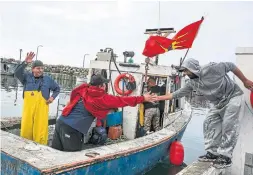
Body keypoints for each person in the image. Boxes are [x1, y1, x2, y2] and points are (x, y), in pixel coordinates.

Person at [155, 58, 253, 169]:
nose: (186, 74)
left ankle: (226, 157)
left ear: (193, 68)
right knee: (208, 122)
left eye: (187, 70)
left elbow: (230, 65)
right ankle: (212, 153)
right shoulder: (192, 83)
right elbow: (179, 93)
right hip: (217, 103)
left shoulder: (212, 68)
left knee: (229, 124)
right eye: (184, 71)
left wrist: (244, 80)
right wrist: (159, 97)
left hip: (233, 96)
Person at [51, 74, 157, 152]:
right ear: (101, 86)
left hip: (60, 122)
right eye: (105, 84)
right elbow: (123, 101)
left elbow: (72, 97)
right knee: (71, 159)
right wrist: (143, 98)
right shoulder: (102, 98)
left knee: (56, 154)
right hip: (72, 130)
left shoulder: (83, 89)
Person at [14, 52, 60, 145]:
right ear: (33, 69)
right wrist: (25, 62)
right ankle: (25, 145)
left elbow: (57, 89)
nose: (40, 70)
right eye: (38, 68)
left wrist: (52, 97)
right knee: (26, 129)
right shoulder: (26, 77)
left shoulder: (48, 79)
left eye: (42, 68)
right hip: (28, 110)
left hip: (41, 110)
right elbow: (17, 72)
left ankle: (41, 148)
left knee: (40, 130)